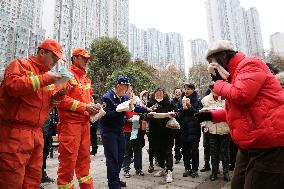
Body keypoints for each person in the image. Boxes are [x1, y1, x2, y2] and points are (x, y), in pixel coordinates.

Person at [195, 40, 284, 189]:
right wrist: (212, 116)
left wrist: (217, 83)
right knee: (237, 184)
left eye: (213, 62)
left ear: (223, 56)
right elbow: (239, 111)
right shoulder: (232, 77)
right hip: (248, 145)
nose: (211, 67)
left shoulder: (250, 64)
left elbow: (241, 95)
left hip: (268, 143)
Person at [0, 39, 68, 189]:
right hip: (15, 133)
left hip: (37, 134)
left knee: (32, 179)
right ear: (42, 52)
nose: (56, 62)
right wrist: (46, 79)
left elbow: (46, 105)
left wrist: (58, 96)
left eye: (58, 60)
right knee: (11, 180)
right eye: (54, 58)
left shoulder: (47, 78)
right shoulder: (20, 65)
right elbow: (12, 86)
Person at [56, 48, 99, 189]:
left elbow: (88, 99)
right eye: (84, 58)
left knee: (84, 163)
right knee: (67, 165)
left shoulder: (86, 78)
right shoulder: (65, 74)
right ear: (74, 58)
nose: (87, 61)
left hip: (84, 125)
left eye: (88, 59)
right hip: (70, 126)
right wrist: (84, 107)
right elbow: (58, 99)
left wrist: (93, 106)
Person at [100, 76, 149, 189]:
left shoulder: (122, 98)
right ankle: (113, 184)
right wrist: (120, 110)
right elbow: (106, 115)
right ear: (118, 86)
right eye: (125, 86)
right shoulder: (107, 97)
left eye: (128, 86)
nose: (127, 88)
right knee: (112, 158)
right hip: (109, 132)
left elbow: (134, 107)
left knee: (120, 157)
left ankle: (115, 179)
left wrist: (147, 109)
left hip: (119, 131)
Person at [201, 84, 230, 181]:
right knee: (213, 152)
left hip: (224, 129)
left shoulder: (227, 98)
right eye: (213, 88)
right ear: (210, 89)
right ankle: (214, 172)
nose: (216, 90)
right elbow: (203, 115)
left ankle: (226, 172)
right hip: (212, 130)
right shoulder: (205, 100)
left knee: (224, 152)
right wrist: (204, 126)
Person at [147, 87, 176, 183]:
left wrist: (174, 115)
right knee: (158, 151)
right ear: (154, 94)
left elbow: (176, 113)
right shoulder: (150, 103)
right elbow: (144, 115)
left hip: (167, 131)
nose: (159, 95)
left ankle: (169, 171)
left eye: (160, 93)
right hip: (154, 132)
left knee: (167, 151)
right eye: (157, 94)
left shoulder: (169, 103)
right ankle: (163, 168)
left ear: (164, 94)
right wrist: (148, 115)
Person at [122, 86, 152, 178]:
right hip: (127, 130)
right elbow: (119, 117)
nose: (129, 93)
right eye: (127, 91)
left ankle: (138, 169)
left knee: (137, 150)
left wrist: (143, 116)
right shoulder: (122, 103)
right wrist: (127, 119)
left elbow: (143, 114)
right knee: (127, 151)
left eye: (130, 91)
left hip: (136, 128)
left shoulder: (137, 102)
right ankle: (126, 169)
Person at [179, 83, 202, 178]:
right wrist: (182, 109)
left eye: (188, 89)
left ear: (193, 90)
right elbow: (178, 113)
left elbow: (199, 114)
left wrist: (190, 107)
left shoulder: (197, 101)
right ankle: (187, 168)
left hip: (194, 129)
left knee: (194, 150)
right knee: (185, 150)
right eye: (185, 89)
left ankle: (195, 169)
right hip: (184, 129)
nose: (186, 91)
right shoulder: (181, 100)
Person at [41, 107, 59, 183]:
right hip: (42, 132)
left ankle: (43, 175)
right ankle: (38, 177)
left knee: (45, 154)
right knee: (39, 156)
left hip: (49, 131)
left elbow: (54, 117)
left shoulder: (54, 105)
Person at [171, 88, 183, 164]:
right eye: (176, 92)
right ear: (174, 93)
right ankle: (177, 157)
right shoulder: (172, 101)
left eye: (179, 92)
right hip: (174, 124)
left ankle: (183, 155)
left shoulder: (183, 100)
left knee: (182, 141)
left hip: (182, 124)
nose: (177, 93)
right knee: (175, 141)